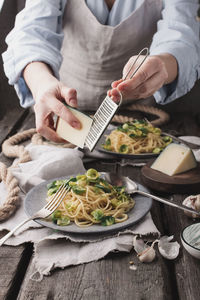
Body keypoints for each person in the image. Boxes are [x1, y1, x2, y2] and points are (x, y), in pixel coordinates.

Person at [2, 0, 200, 142]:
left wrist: (162, 64)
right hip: (58, 115)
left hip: (144, 117)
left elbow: (182, 34)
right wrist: (42, 84)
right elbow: (30, 34)